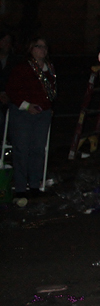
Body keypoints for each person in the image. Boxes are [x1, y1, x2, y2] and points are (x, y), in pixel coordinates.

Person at [6, 37, 56, 198]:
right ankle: (20, 187)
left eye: (45, 47)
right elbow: (13, 90)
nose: (43, 50)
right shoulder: (22, 68)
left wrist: (47, 107)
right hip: (23, 112)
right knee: (21, 149)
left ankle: (35, 185)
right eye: (38, 46)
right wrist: (27, 106)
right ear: (31, 49)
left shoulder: (49, 70)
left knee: (38, 150)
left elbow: (51, 92)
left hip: (43, 113)